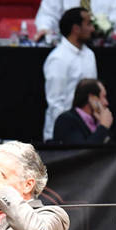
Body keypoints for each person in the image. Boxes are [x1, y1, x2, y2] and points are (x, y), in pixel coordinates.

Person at [42, 7, 96, 141]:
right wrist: (66, 129)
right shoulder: (58, 58)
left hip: (86, 130)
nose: (93, 29)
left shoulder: (90, 54)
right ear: (76, 28)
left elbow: (93, 95)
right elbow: (55, 103)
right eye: (88, 24)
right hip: (61, 133)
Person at [52, 77, 113, 143]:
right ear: (92, 98)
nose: (106, 103)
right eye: (103, 97)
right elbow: (81, 150)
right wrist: (103, 127)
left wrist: (101, 125)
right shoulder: (66, 120)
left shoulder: (97, 121)